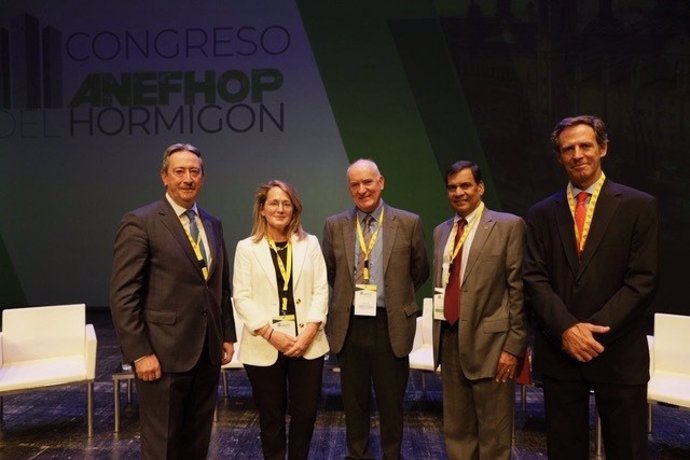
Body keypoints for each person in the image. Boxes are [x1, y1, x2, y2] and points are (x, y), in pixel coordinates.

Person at [524, 115, 659, 459]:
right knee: (564, 449)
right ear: (559, 156)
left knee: (627, 450)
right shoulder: (540, 213)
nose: (577, 154)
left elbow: (642, 281)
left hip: (617, 352)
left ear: (603, 148)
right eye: (568, 148)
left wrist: (592, 333)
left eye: (585, 145)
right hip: (561, 353)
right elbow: (534, 278)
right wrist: (567, 329)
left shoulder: (639, 206)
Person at [109, 143, 236, 459]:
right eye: (179, 171)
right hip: (162, 356)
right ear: (164, 176)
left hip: (206, 353)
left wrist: (227, 335)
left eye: (194, 172)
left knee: (197, 439)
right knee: (163, 444)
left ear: (203, 178)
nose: (188, 178)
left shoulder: (212, 223)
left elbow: (219, 287)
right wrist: (140, 354)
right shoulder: (141, 222)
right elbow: (124, 295)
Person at [322, 158, 430, 459]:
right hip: (350, 324)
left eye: (367, 182)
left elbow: (420, 270)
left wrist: (394, 296)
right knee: (354, 402)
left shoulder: (408, 222)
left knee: (391, 402)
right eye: (355, 184)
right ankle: (357, 454)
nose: (362, 189)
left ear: (380, 182)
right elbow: (332, 272)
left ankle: (391, 455)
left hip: (391, 323)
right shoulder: (334, 225)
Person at [432, 161, 527, 459]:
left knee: (494, 433)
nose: (458, 192)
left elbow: (519, 291)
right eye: (452, 187)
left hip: (493, 345)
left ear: (480, 187)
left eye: (465, 185)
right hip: (449, 338)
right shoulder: (441, 231)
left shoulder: (508, 226)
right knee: (457, 429)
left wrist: (513, 347)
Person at [232, 179, 329, 460]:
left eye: (286, 203)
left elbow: (321, 289)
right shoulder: (246, 248)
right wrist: (271, 334)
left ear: (294, 209)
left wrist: (310, 332)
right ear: (262, 209)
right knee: (271, 417)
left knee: (305, 414)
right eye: (273, 202)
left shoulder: (309, 244)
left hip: (308, 343)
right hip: (264, 344)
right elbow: (242, 297)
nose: (280, 208)